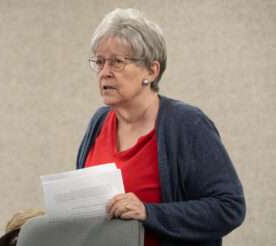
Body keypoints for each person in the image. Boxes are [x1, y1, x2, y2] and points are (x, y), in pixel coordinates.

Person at [76, 8, 246, 246]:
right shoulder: (99, 121)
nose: (105, 73)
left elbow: (229, 207)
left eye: (117, 62)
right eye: (100, 62)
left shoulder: (187, 125)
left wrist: (149, 213)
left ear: (151, 71)